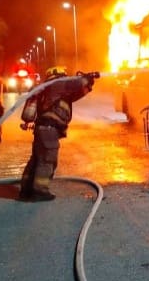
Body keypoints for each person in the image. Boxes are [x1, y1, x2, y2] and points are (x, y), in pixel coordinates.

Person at [18, 66, 96, 201]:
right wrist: (86, 77)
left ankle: (26, 189)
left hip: (42, 130)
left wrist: (89, 83)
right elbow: (77, 83)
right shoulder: (57, 84)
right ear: (58, 75)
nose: (66, 77)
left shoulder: (49, 89)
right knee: (47, 161)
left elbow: (77, 93)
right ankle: (40, 191)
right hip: (49, 130)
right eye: (64, 75)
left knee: (37, 160)